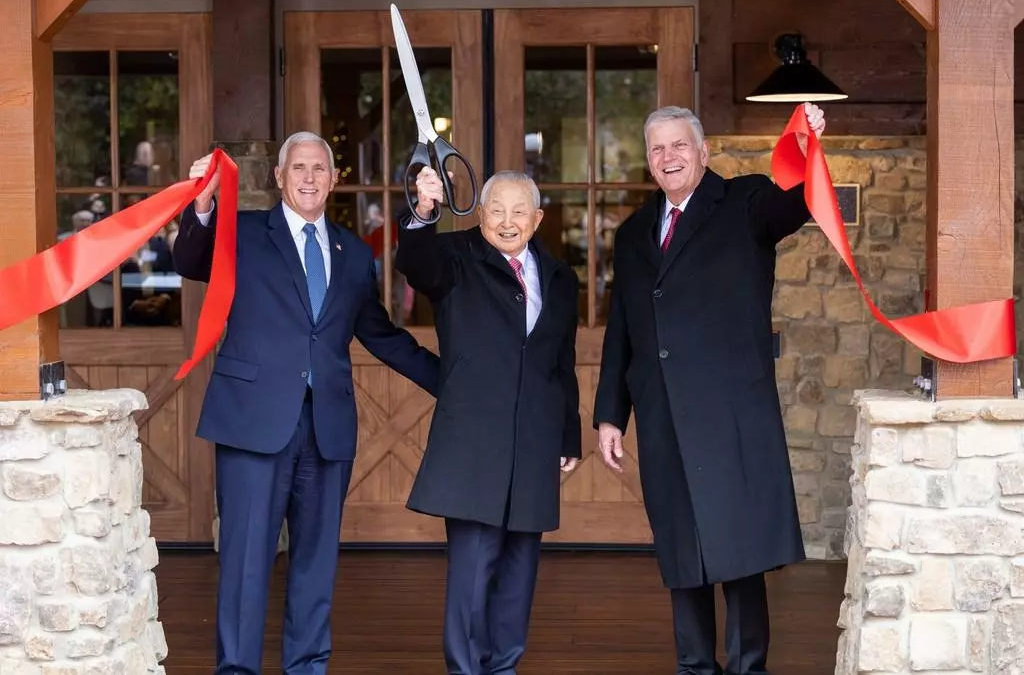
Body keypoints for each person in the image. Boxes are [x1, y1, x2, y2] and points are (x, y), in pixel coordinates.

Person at [173, 132, 440, 675]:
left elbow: (380, 334)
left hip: (327, 426)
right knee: (247, 562)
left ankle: (307, 666)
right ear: (279, 177)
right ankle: (238, 669)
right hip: (253, 421)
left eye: (320, 168)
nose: (310, 177)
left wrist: (452, 381)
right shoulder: (244, 232)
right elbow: (190, 259)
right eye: (299, 167)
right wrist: (201, 205)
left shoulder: (353, 252)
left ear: (335, 177)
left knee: (316, 565)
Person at [593, 102, 826, 675]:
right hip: (664, 412)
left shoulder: (745, 202)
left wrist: (808, 147)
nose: (668, 157)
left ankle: (749, 667)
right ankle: (694, 665)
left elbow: (798, 202)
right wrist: (608, 416)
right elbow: (621, 327)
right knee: (681, 547)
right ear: (648, 161)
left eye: (679, 145)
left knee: (740, 548)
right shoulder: (631, 235)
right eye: (657, 148)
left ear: (702, 152)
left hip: (730, 413)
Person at [395, 167, 581, 675]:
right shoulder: (455, 259)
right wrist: (423, 211)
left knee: (520, 570)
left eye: (519, 210)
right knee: (473, 571)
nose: (506, 221)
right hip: (473, 440)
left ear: (538, 218)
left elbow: (561, 363)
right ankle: (465, 668)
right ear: (480, 215)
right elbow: (414, 262)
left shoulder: (562, 278)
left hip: (536, 440)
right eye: (496, 209)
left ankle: (504, 667)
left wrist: (569, 436)